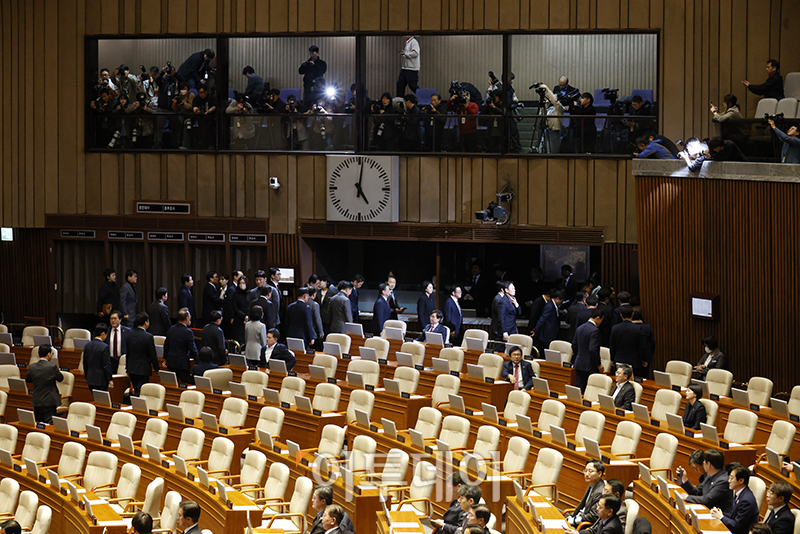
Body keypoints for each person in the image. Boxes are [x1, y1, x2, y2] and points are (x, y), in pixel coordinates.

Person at [710, 466, 759, 534]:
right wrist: (719, 513)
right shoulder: (739, 493)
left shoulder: (746, 500)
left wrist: (721, 517)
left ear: (741, 481)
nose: (729, 480)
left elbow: (737, 525)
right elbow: (733, 515)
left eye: (731, 478)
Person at [25, 344, 64, 424]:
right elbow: (60, 378)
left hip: (37, 400)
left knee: (39, 424)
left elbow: (28, 380)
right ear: (48, 354)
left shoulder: (32, 367)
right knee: (49, 424)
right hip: (49, 401)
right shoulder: (52, 367)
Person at [127, 312, 160, 397]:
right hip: (143, 369)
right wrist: (157, 369)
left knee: (136, 390)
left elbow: (128, 353)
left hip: (132, 368)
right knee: (141, 392)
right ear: (146, 322)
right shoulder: (148, 337)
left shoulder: (130, 335)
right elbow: (152, 354)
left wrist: (127, 368)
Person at [572, 309, 604, 393]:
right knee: (589, 392)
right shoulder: (594, 330)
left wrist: (579, 356)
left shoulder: (580, 327)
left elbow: (574, 345)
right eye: (601, 320)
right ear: (598, 318)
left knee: (579, 389)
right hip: (590, 366)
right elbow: (593, 349)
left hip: (579, 363)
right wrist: (598, 364)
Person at [565, 459, 605, 527]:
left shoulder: (600, 492)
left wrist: (573, 520)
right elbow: (582, 505)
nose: (586, 474)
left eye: (590, 471)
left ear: (599, 473)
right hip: (579, 518)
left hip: (584, 524)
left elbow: (594, 516)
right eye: (585, 471)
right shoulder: (592, 484)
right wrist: (571, 516)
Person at [164, 308, 199, 385]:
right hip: (182, 363)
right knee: (185, 384)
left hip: (171, 362)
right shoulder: (188, 332)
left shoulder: (171, 329)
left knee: (172, 385)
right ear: (187, 318)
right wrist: (198, 362)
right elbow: (192, 349)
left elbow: (166, 345)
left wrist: (165, 359)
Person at [85, 324, 115, 392]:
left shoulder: (87, 345)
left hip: (90, 379)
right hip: (101, 380)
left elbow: (85, 363)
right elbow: (106, 365)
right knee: (102, 401)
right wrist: (110, 380)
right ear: (103, 334)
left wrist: (87, 377)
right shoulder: (104, 347)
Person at [534, 289, 563, 355]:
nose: (561, 303)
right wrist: (535, 330)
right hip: (546, 334)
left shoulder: (553, 305)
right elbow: (542, 319)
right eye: (561, 301)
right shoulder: (549, 306)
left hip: (550, 334)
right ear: (557, 299)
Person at [231, 275, 249, 344]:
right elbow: (235, 308)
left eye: (243, 283)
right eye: (240, 283)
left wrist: (248, 317)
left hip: (248, 319)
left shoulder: (249, 293)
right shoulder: (235, 294)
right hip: (239, 319)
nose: (242, 285)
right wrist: (244, 316)